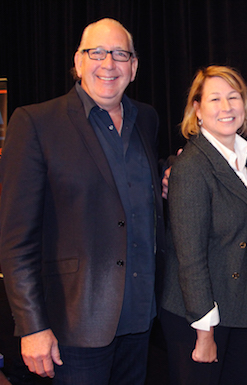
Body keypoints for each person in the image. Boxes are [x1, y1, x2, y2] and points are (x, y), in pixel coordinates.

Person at [0, 18, 165, 385]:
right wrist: (32, 326)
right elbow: (15, 240)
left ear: (134, 67)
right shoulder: (35, 123)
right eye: (97, 53)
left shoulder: (147, 120)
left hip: (141, 321)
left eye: (120, 54)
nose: (109, 64)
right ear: (78, 62)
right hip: (72, 328)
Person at [160, 65, 247, 385]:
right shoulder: (191, 166)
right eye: (215, 99)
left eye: (233, 97)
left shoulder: (243, 157)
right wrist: (205, 333)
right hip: (200, 318)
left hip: (238, 310)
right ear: (197, 109)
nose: (226, 107)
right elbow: (189, 258)